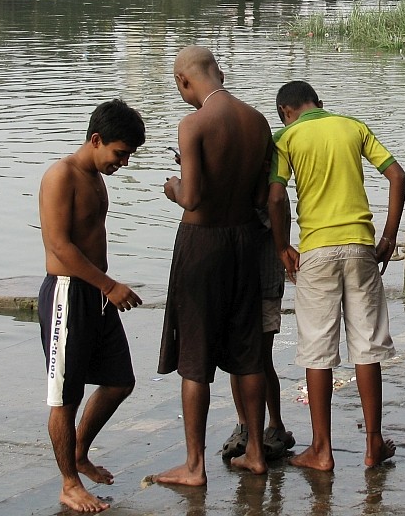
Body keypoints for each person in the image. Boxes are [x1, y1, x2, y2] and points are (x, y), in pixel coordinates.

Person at [268, 80, 405, 470]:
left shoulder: (285, 137)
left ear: (285, 111)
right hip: (361, 246)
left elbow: (276, 196)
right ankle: (373, 443)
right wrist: (389, 237)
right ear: (319, 103)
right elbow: (397, 175)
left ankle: (321, 450)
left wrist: (282, 247)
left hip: (316, 250)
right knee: (366, 346)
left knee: (318, 350)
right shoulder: (352, 125)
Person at [153, 46, 273, 485]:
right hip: (245, 241)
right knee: (248, 351)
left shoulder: (193, 124)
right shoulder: (258, 122)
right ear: (218, 72)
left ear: (184, 82)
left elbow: (193, 197)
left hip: (202, 244)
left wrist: (173, 185)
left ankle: (194, 466)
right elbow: (263, 195)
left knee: (195, 356)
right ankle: (256, 452)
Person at [38, 99, 146, 514]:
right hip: (69, 291)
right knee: (65, 395)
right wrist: (109, 285)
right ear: (96, 139)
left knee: (119, 381)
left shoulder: (96, 176)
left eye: (128, 156)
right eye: (120, 153)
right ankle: (69, 483)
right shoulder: (61, 175)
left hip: (96, 293)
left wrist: (106, 287)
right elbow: (58, 246)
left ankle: (79, 450)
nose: (123, 162)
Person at [220, 208, 296, 464]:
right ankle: (244, 423)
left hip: (264, 281)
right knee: (238, 357)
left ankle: (274, 424)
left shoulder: (269, 192)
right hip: (237, 282)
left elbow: (250, 224)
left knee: (260, 358)